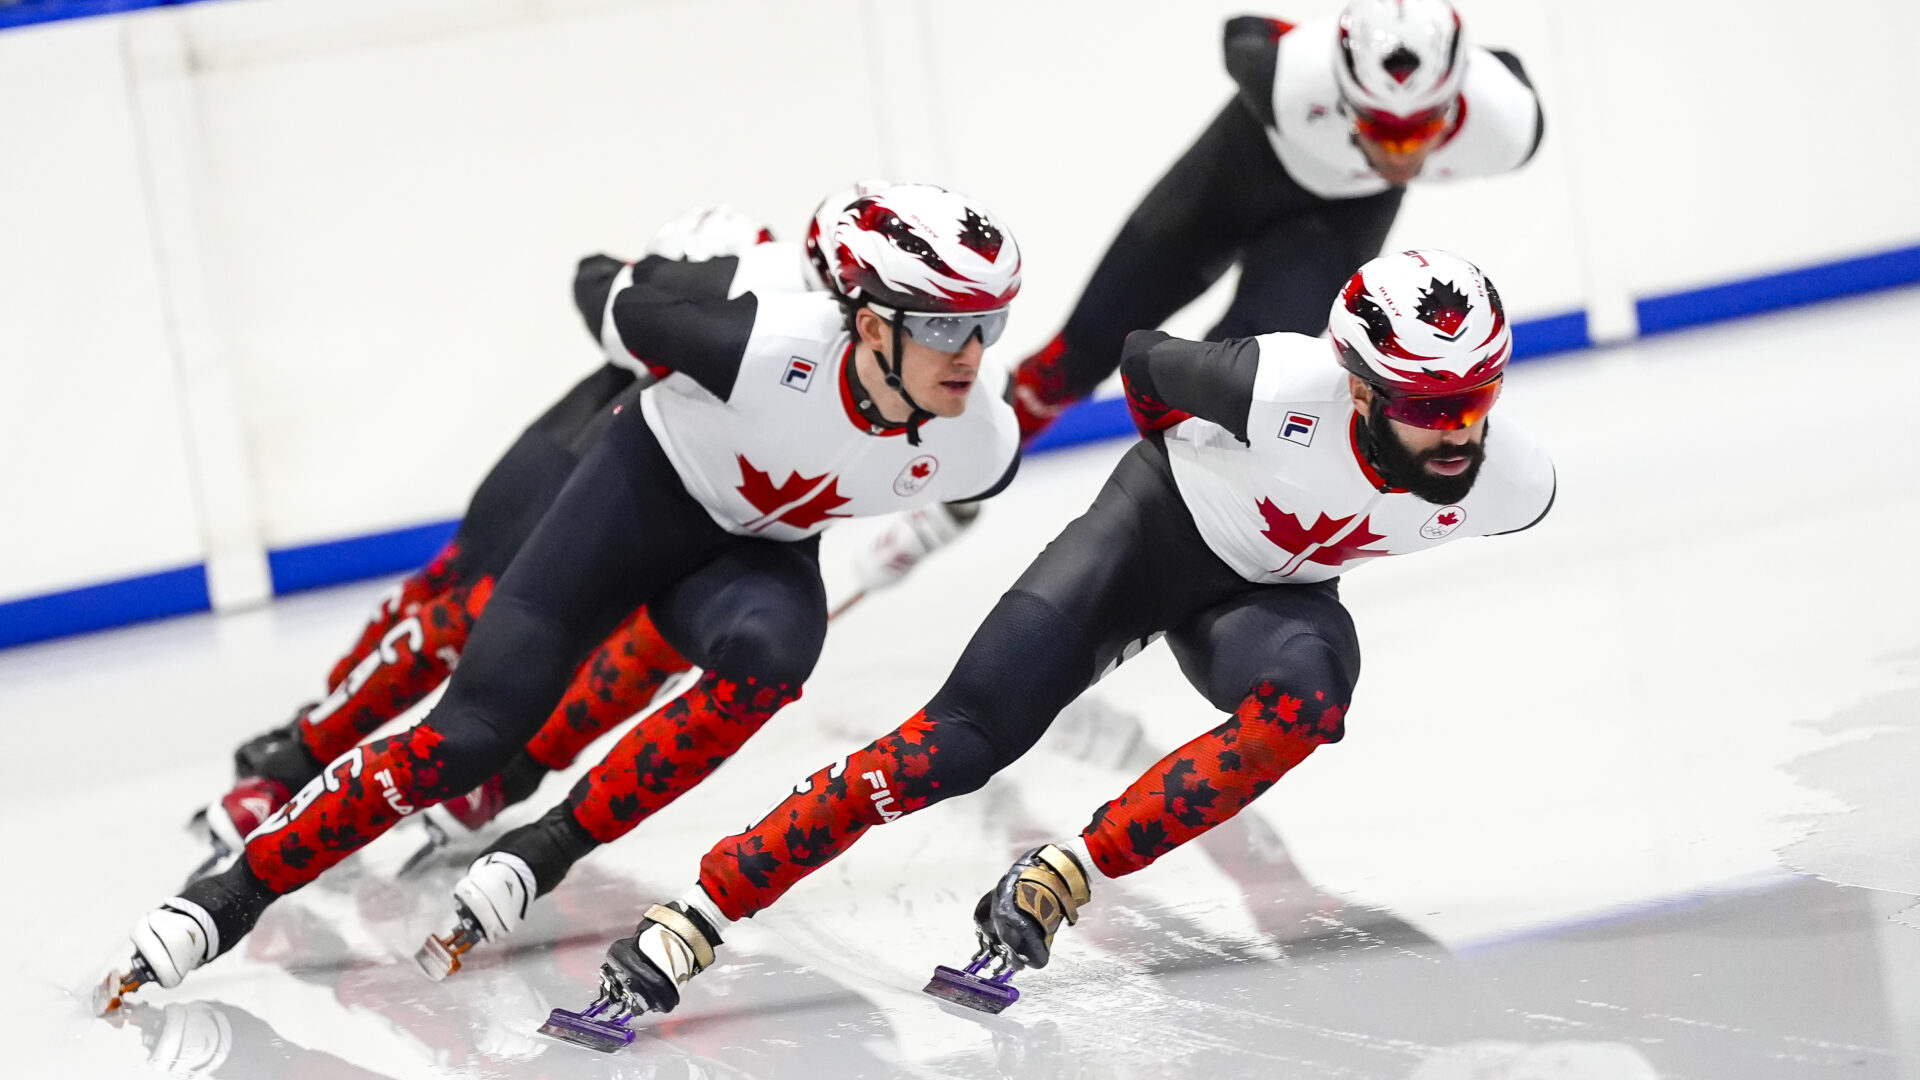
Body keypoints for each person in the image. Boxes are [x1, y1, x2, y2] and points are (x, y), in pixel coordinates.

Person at [554, 249, 1554, 1028]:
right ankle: (701, 911)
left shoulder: (1513, 482)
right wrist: (1184, 478)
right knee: (953, 745)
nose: (1459, 432)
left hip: (1267, 601)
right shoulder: (1279, 386)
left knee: (1309, 705)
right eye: (1431, 407)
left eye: (1479, 398)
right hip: (1147, 539)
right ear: (1362, 390)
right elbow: (1144, 363)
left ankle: (1065, 872)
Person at [104, 183, 1027, 1005]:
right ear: (870, 325)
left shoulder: (982, 443)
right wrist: (667, 300)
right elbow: (602, 285)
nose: (974, 353)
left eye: (991, 324)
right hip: (638, 495)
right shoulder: (754, 338)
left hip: (751, 559)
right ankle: (231, 892)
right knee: (466, 734)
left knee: (776, 654)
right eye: (948, 328)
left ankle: (547, 844)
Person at [1009, 0, 1545, 440]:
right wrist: (1309, 40)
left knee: (1226, 385)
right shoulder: (1289, 76)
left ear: (1456, 99)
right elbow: (1244, 31)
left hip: (1343, 217)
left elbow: (1505, 65)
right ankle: (971, 465)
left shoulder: (1508, 123)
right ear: (1342, 95)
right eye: (1378, 128)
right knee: (1076, 357)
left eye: (1420, 130)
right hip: (1238, 170)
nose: (1397, 154)